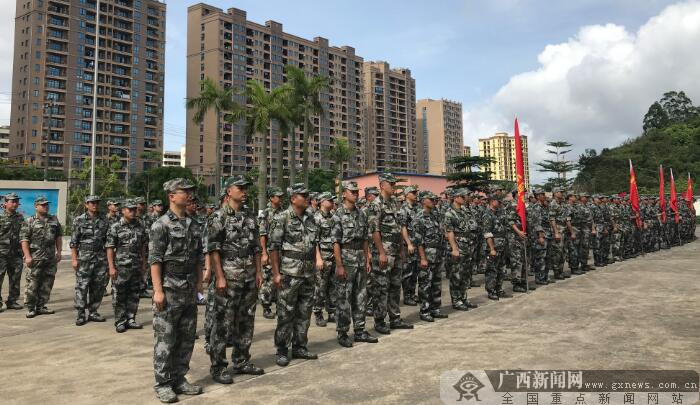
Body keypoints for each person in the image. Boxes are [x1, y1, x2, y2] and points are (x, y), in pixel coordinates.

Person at [149, 178, 204, 403]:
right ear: (172, 196)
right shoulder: (160, 224)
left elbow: (199, 256)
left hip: (189, 287)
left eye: (190, 192)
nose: (189, 195)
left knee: (187, 336)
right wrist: (157, 290)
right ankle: (163, 383)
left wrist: (200, 283)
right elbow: (155, 260)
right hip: (170, 287)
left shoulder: (194, 223)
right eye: (185, 191)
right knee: (166, 338)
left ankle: (180, 377)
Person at [207, 176, 264, 384]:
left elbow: (256, 247)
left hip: (248, 276)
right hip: (229, 278)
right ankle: (218, 366)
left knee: (246, 321)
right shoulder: (219, 217)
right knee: (222, 323)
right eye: (240, 188)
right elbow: (213, 249)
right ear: (229, 191)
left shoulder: (250, 216)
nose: (244, 191)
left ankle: (241, 360)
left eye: (246, 187)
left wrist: (259, 272)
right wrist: (219, 276)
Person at [269, 183, 323, 367]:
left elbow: (314, 242)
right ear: (293, 198)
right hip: (289, 273)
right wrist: (276, 273)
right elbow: (274, 248)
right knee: (286, 313)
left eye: (308, 194)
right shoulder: (281, 218)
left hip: (308, 272)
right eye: (303, 195)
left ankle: (300, 346)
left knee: (304, 312)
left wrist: (317, 261)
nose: (307, 197)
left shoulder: (311, 218)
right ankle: (282, 349)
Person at [331, 181, 378, 347]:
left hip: (359, 257)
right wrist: (339, 265)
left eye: (357, 192)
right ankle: (343, 332)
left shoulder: (361, 214)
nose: (356, 194)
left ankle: (360, 330)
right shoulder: (337, 215)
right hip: (345, 257)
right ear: (344, 193)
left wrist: (367, 258)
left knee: (361, 296)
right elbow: (336, 242)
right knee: (344, 298)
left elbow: (365, 238)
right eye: (352, 192)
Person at [366, 173, 414, 334]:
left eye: (394, 184)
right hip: (384, 252)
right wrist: (380, 253)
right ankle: (379, 321)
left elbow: (399, 228)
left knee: (395, 286)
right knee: (380, 288)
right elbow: (375, 230)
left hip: (395, 251)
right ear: (382, 185)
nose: (393, 187)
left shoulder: (395, 203)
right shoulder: (376, 204)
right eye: (391, 184)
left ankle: (395, 318)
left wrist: (402, 249)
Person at [106, 199, 148, 333]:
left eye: (134, 209)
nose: (133, 212)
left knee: (134, 294)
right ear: (123, 210)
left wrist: (143, 264)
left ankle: (131, 318)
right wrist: (111, 267)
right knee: (119, 295)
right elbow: (110, 248)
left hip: (136, 266)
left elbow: (143, 245)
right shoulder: (116, 226)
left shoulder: (140, 225)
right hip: (121, 267)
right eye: (130, 209)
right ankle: (120, 321)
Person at [70, 195, 110, 325]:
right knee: (82, 286)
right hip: (84, 258)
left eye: (96, 203)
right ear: (86, 204)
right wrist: (74, 259)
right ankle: (81, 314)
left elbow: (108, 241)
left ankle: (93, 311)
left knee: (98, 287)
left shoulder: (104, 219)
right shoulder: (79, 220)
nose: (95, 205)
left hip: (100, 258)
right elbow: (74, 242)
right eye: (92, 203)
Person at [21, 196, 63, 318]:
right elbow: (24, 240)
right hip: (35, 258)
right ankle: (30, 308)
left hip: (50, 258)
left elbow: (59, 237)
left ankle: (41, 306)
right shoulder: (29, 221)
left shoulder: (54, 220)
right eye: (43, 205)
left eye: (47, 205)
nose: (46, 207)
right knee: (32, 283)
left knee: (47, 282)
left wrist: (59, 252)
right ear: (36, 206)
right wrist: (27, 256)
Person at [412, 191, 448, 322]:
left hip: (437, 254)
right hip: (426, 254)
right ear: (423, 201)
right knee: (425, 284)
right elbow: (418, 241)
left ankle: (435, 309)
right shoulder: (419, 217)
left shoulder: (435, 216)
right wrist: (422, 258)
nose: (434, 201)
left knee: (437, 283)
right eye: (431, 199)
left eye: (434, 199)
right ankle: (425, 310)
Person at [258, 186, 284, 319]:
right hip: (269, 250)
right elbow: (262, 234)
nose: (280, 198)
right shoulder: (265, 214)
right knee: (268, 279)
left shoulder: (283, 212)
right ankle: (266, 306)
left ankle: (280, 306)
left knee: (281, 278)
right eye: (278, 196)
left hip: (281, 252)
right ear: (271, 198)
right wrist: (264, 253)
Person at [313, 192, 337, 327]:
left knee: (332, 286)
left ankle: (332, 312)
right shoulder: (316, 218)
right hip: (323, 255)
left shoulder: (333, 217)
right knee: (320, 286)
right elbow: (314, 240)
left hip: (334, 256)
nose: (332, 202)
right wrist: (318, 258)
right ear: (322, 202)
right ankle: (318, 312)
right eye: (329, 200)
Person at [0, 193, 24, 311]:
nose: (15, 204)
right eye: (12, 201)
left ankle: (12, 301)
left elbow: (23, 235)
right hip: (1, 253)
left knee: (15, 278)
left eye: (16, 201)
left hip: (16, 253)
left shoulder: (20, 217)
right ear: (5, 203)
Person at [482, 193, 509, 300]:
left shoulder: (499, 213)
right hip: (493, 246)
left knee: (501, 269)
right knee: (492, 269)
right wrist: (492, 248)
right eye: (498, 201)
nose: (500, 203)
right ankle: (491, 290)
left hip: (502, 245)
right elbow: (487, 233)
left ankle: (499, 288)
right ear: (492, 201)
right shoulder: (487, 215)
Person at [399, 186, 420, 306]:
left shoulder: (416, 208)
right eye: (413, 193)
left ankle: (412, 294)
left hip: (417, 243)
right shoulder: (403, 209)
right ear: (407, 194)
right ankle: (407, 296)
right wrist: (409, 243)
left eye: (415, 192)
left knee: (415, 271)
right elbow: (403, 228)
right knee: (408, 272)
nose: (415, 194)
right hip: (409, 245)